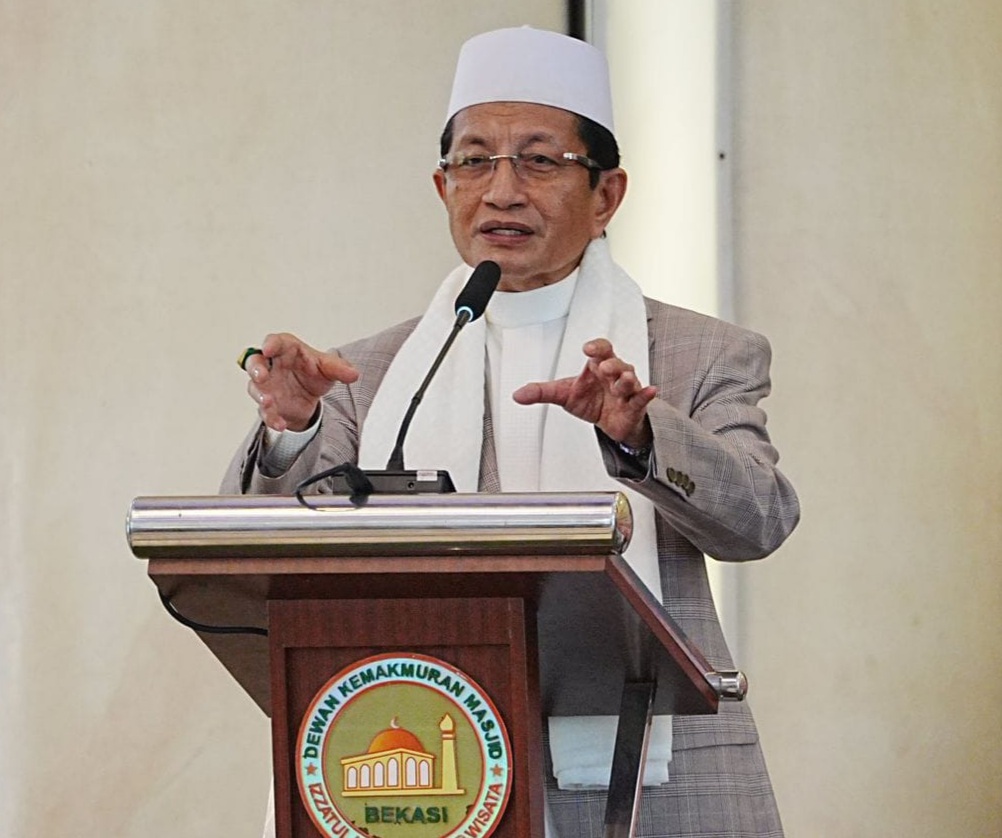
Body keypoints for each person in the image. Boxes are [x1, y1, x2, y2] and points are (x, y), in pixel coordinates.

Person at [222, 26, 800, 838]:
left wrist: (643, 437)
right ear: (442, 186)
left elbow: (759, 520)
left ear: (606, 195)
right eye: (475, 161)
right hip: (429, 778)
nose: (501, 191)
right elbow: (263, 551)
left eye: (538, 161)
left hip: (657, 777)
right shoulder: (374, 373)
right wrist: (293, 428)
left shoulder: (700, 354)